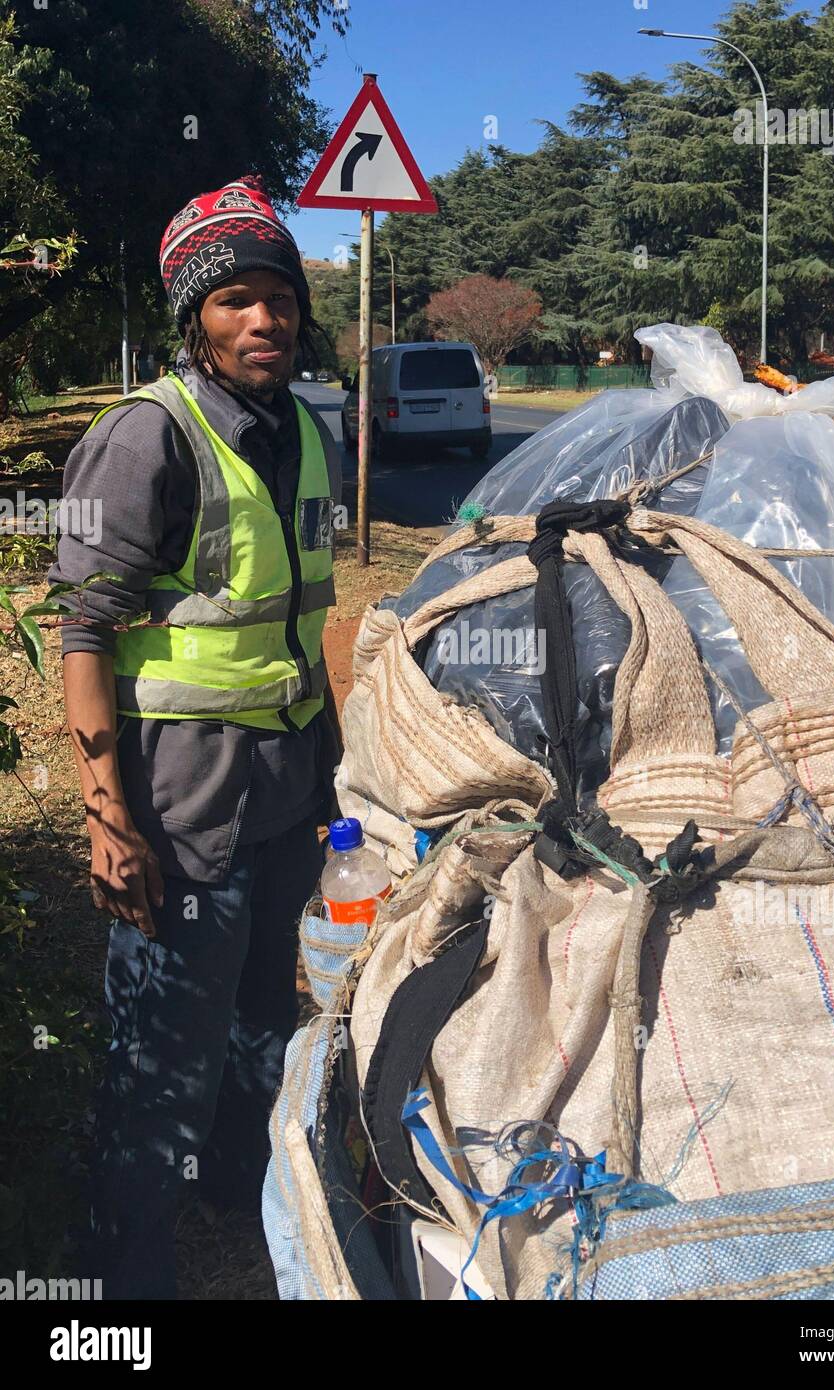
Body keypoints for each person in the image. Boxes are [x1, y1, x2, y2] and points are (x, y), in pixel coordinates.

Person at [50, 174, 343, 1300]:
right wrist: (103, 818)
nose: (262, 318)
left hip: (282, 798)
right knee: (161, 1051)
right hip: (176, 807)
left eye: (278, 296)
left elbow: (302, 618)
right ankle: (120, 1274)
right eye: (234, 301)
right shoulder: (146, 439)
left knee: (266, 1016)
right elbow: (85, 634)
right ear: (194, 320)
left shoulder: (305, 433)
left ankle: (236, 1187)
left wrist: (336, 775)